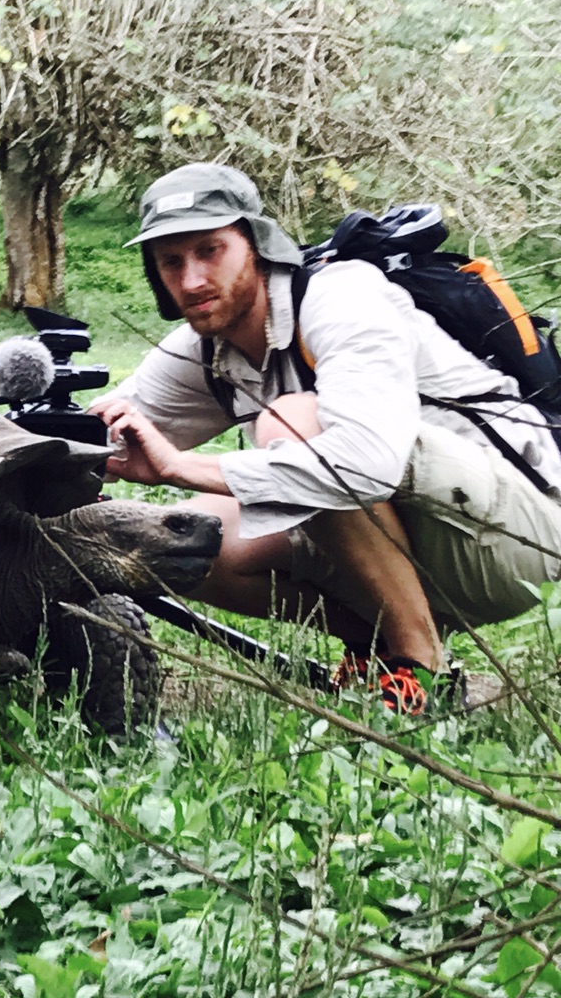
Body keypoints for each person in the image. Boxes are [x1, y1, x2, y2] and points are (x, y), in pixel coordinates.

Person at [89, 162, 561, 712]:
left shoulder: (341, 297)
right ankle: (373, 650)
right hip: (420, 540)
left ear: (257, 244)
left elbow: (364, 464)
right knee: (181, 536)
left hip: (518, 537)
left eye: (210, 250)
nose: (191, 279)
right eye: (171, 261)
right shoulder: (204, 348)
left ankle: (417, 664)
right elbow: (107, 434)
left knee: (292, 423)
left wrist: (180, 467)